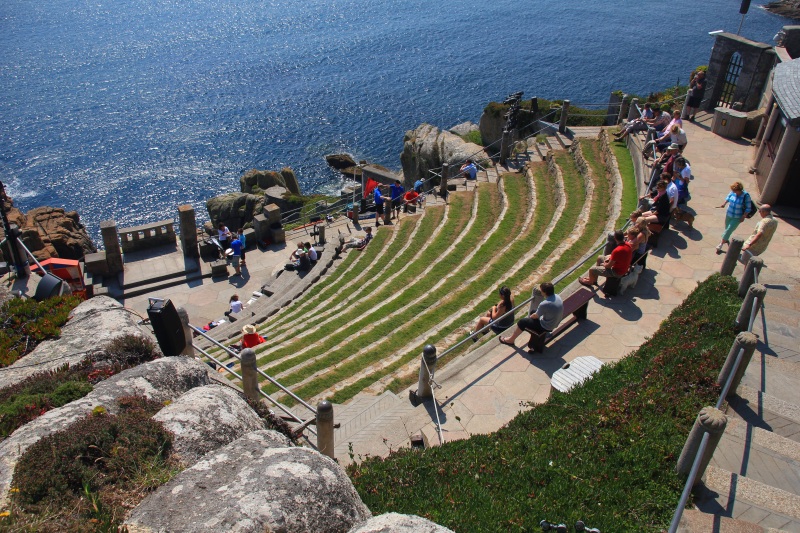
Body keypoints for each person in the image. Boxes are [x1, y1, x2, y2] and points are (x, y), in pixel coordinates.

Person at [499, 282, 563, 346]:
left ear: (545, 292)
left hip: (546, 327)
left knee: (522, 322)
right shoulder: (557, 297)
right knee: (533, 311)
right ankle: (531, 326)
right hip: (555, 323)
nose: (540, 292)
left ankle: (511, 340)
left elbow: (535, 316)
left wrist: (532, 317)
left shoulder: (545, 304)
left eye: (541, 290)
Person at [716, 181, 752, 255]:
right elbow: (728, 197)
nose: (734, 192)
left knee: (729, 229)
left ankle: (721, 244)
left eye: (735, 191)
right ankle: (725, 239)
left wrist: (744, 216)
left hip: (737, 217)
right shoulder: (733, 192)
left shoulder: (746, 196)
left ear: (739, 190)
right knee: (726, 228)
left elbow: (748, 208)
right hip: (729, 213)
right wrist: (724, 203)